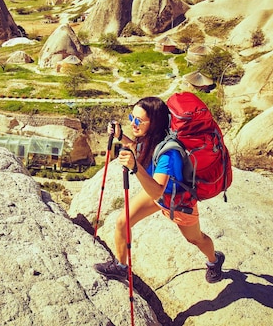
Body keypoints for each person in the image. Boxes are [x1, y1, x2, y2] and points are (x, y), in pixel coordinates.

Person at [93, 96, 225, 283]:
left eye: (138, 121)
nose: (133, 123)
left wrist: (135, 167)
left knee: (196, 239)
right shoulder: (152, 138)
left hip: (177, 202)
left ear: (153, 124)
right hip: (160, 195)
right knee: (122, 222)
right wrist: (120, 135)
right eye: (132, 118)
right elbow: (134, 146)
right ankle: (121, 268)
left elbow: (157, 192)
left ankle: (214, 260)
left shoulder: (169, 155)